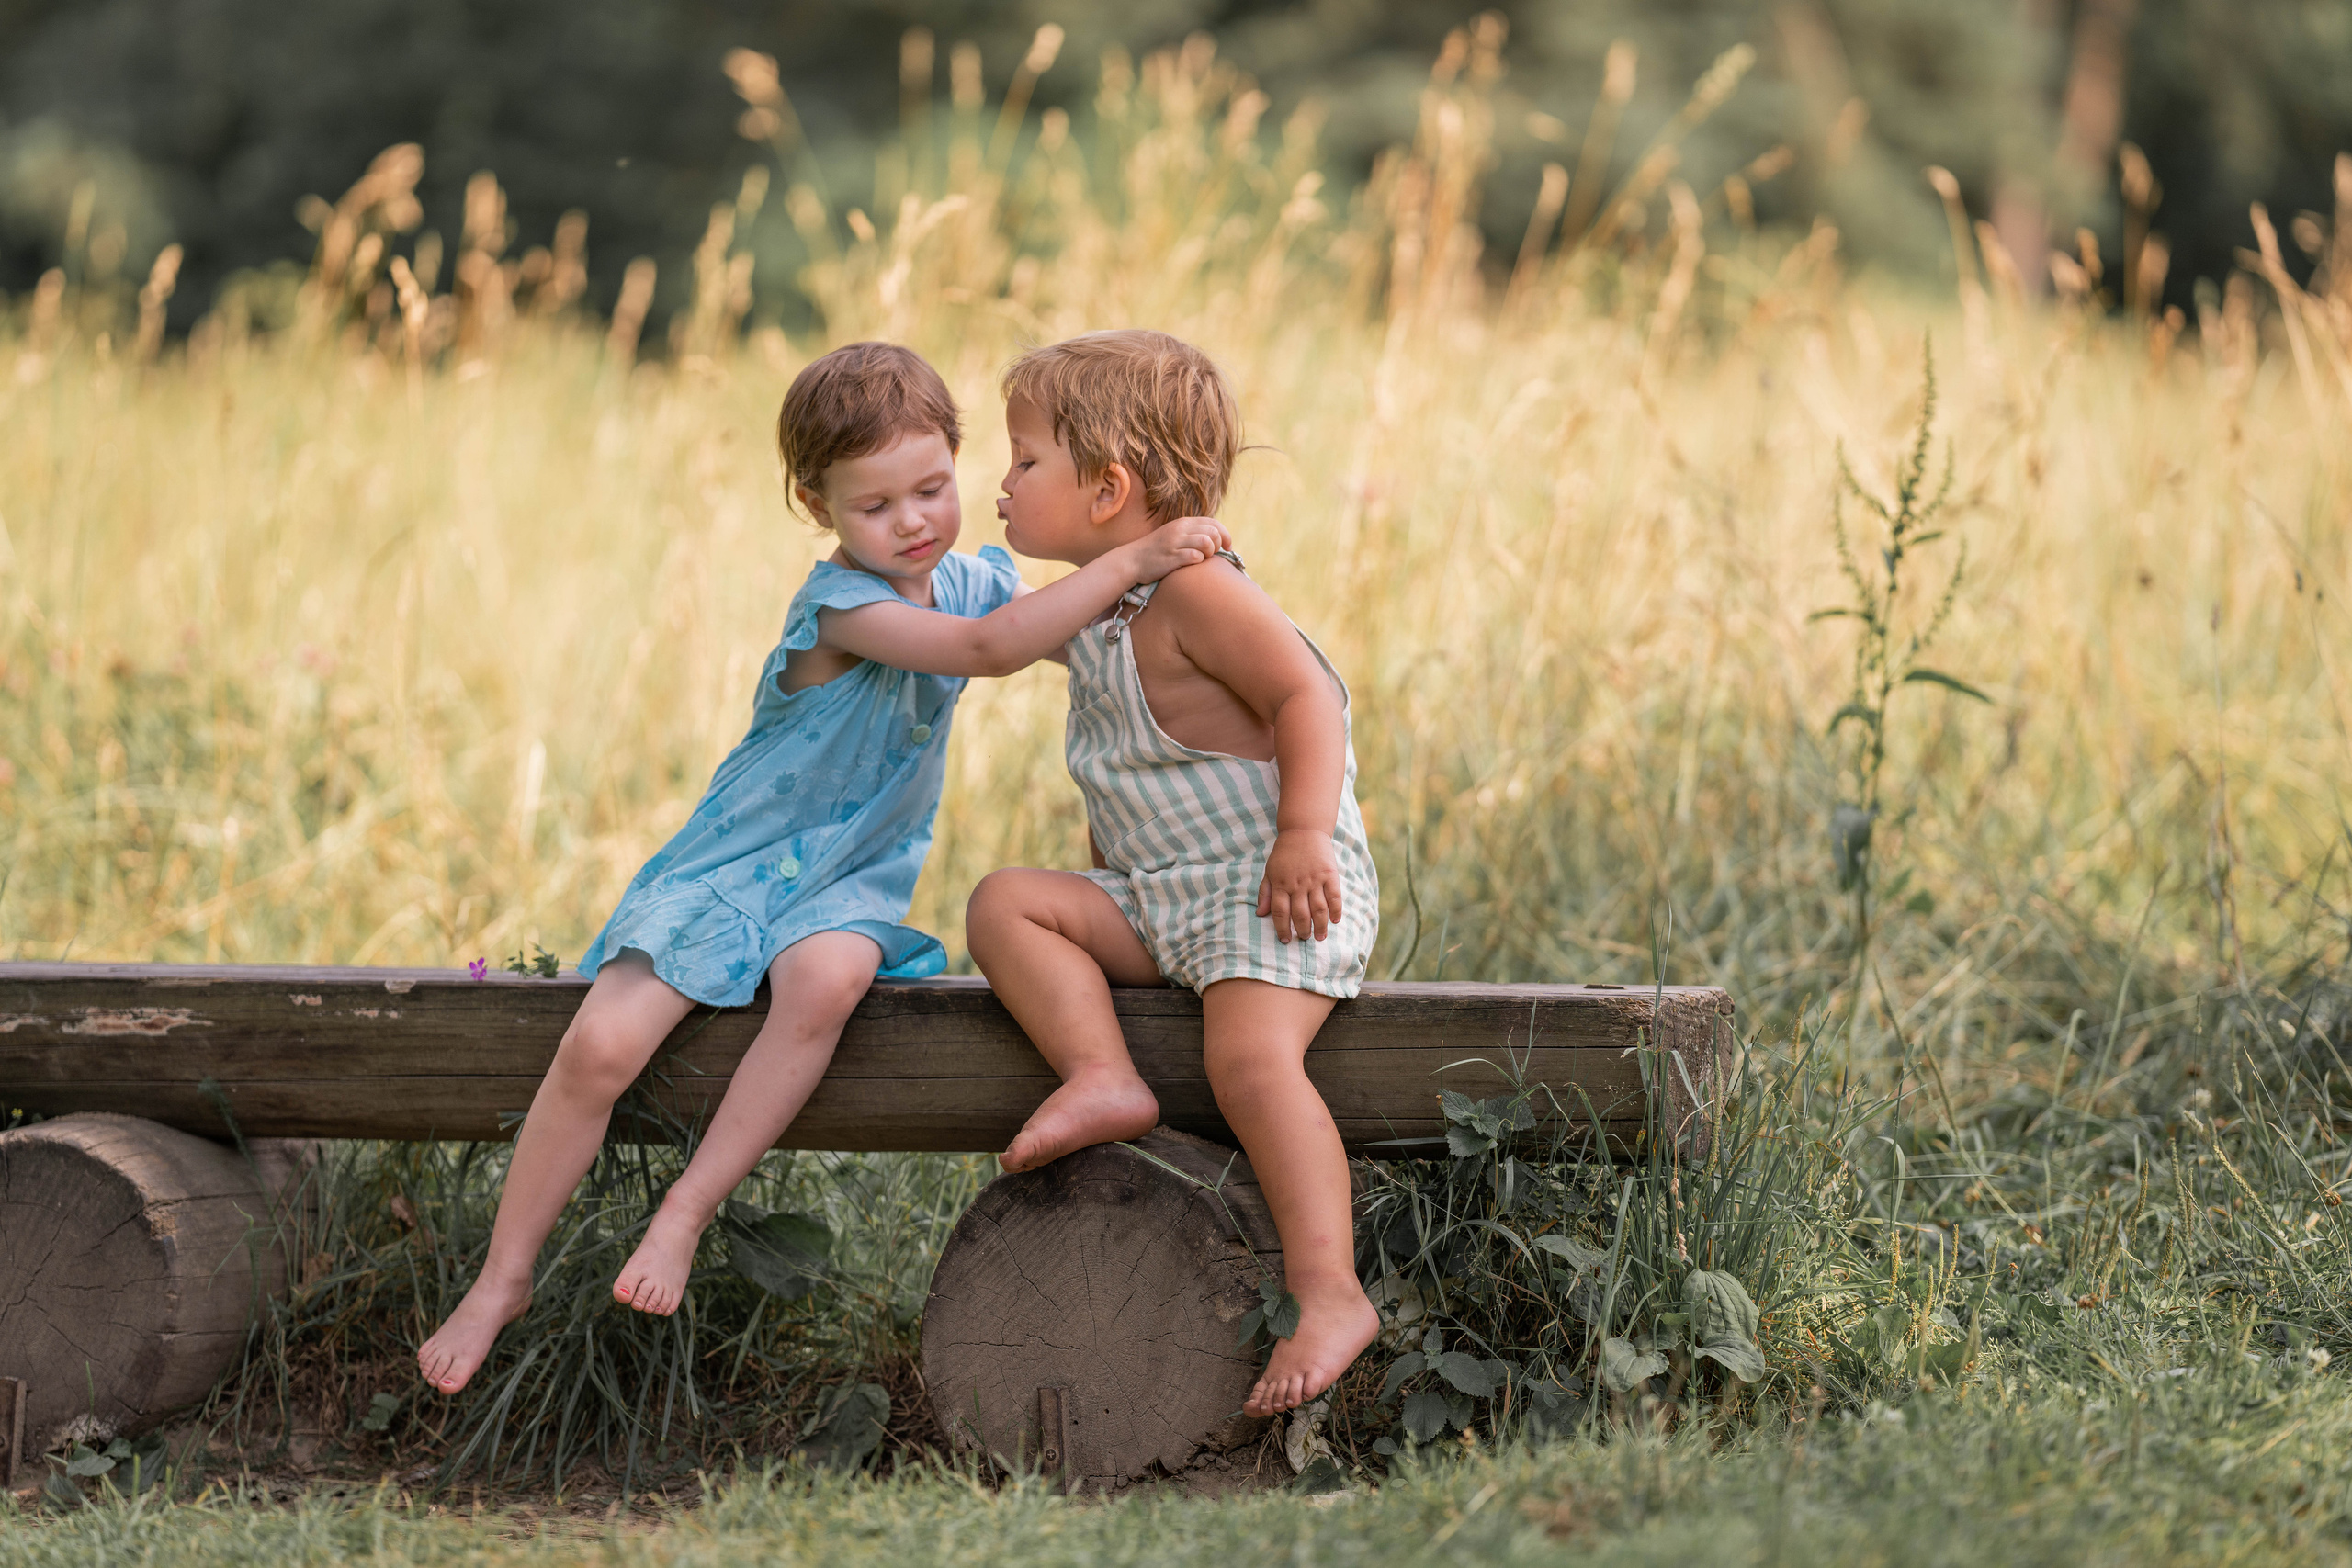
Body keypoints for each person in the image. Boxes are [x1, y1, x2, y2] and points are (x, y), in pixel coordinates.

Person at [417, 341, 1228, 1395]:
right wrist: (1132, 560)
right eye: (876, 504)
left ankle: (685, 1215)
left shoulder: (974, 576)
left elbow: (1073, 636)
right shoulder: (842, 608)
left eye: (933, 488)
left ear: (957, 464)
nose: (914, 522)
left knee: (829, 980)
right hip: (729, 867)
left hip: (849, 883)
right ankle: (501, 1277)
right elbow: (990, 650)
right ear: (819, 506)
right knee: (602, 1044)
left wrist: (1178, 614)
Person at [966, 329, 1382, 1418]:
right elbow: (999, 635)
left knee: (1249, 1060)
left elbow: (1310, 699)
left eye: (1021, 462)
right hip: (1165, 898)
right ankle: (1104, 1074)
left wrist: (1302, 836)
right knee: (1006, 902)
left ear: (1109, 489)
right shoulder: (1101, 607)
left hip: (1268, 894)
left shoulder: (1198, 594)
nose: (999, 485)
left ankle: (1329, 1290)